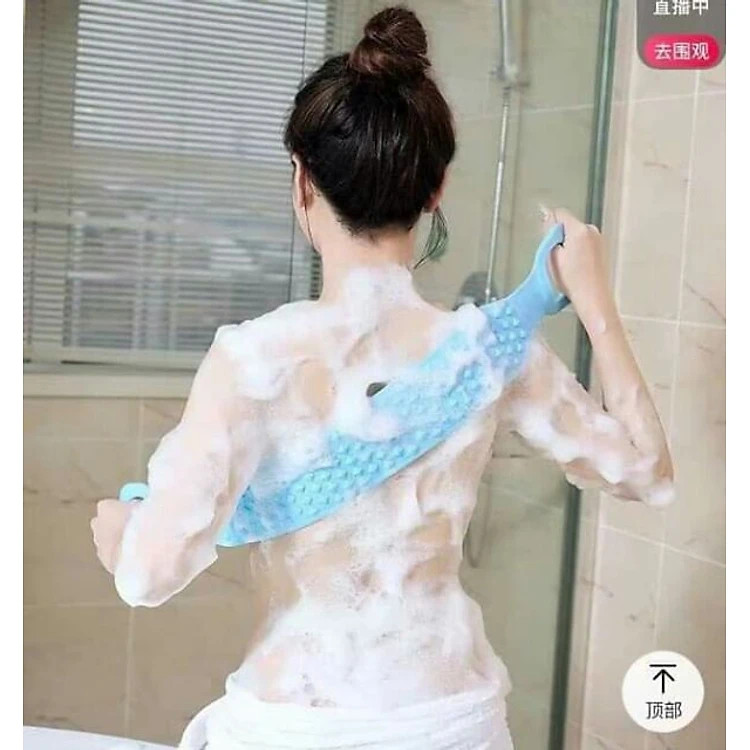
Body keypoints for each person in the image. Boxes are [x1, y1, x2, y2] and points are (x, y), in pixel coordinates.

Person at [91, 7, 674, 749]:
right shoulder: (491, 353)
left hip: (295, 725)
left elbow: (148, 576)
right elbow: (646, 472)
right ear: (436, 190)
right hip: (453, 724)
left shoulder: (255, 360)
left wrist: (121, 530)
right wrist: (594, 302)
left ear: (302, 181)